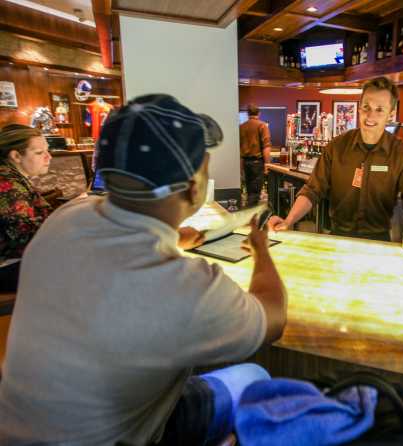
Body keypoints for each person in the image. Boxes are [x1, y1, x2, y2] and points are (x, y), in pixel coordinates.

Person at [0, 94, 287, 445]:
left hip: (15, 431)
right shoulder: (184, 286)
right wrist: (260, 248)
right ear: (195, 187)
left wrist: (175, 237)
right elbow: (272, 317)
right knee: (253, 375)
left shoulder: (63, 219)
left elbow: (118, 244)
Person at [270, 77, 403, 241]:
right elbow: (312, 190)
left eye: (379, 109)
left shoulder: (402, 153)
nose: (370, 116)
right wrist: (288, 221)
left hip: (379, 243)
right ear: (359, 107)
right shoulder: (337, 146)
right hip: (338, 237)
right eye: (366, 107)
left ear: (391, 114)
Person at [0, 124, 53, 292]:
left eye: (47, 150)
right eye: (39, 153)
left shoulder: (10, 176)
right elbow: (23, 236)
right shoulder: (7, 186)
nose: (48, 157)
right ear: (16, 155)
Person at [240, 104, 272, 205]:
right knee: (255, 193)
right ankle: (251, 217)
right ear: (259, 113)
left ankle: (248, 216)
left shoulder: (241, 127)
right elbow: (266, 147)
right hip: (257, 163)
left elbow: (239, 149)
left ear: (247, 113)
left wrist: (240, 167)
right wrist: (267, 164)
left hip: (246, 163)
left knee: (249, 192)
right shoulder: (262, 126)